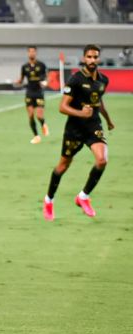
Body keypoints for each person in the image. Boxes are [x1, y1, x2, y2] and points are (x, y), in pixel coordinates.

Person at [42, 44, 115, 221]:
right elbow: (62, 107)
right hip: (74, 129)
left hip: (93, 126)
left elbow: (98, 101)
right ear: (84, 58)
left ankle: (83, 197)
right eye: (89, 57)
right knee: (63, 166)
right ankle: (49, 200)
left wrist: (108, 120)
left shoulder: (103, 80)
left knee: (102, 160)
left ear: (98, 58)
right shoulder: (75, 79)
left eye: (95, 57)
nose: (92, 60)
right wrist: (81, 113)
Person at [15, 46, 48, 144]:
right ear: (28, 53)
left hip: (39, 92)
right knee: (30, 116)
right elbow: (21, 79)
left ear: (36, 53)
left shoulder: (41, 65)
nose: (32, 53)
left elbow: (46, 77)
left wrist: (45, 82)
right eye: (30, 52)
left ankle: (43, 124)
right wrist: (17, 82)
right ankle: (36, 136)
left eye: (33, 51)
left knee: (39, 116)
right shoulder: (24, 67)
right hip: (29, 92)